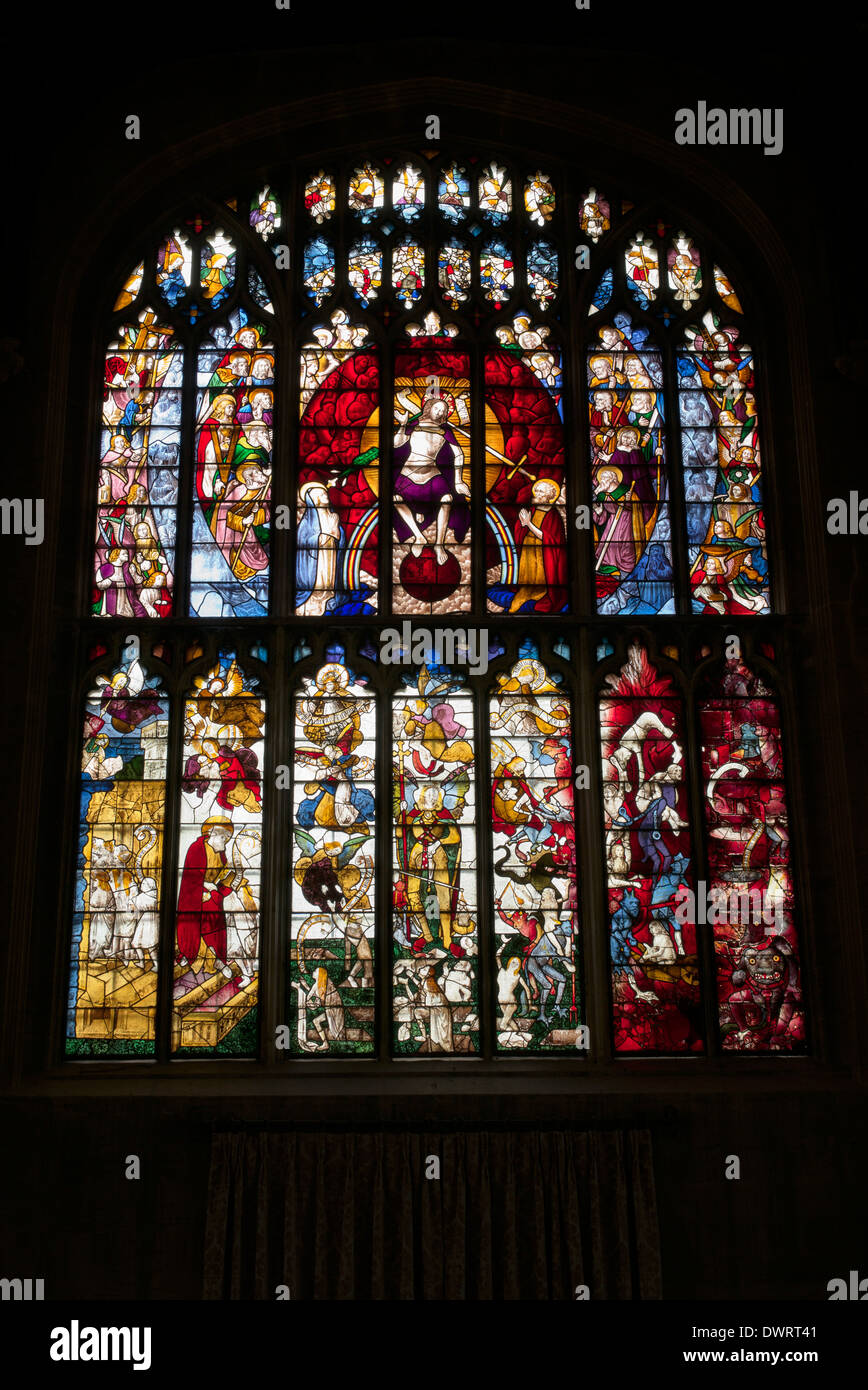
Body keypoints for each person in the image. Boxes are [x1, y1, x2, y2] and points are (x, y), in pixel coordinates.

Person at [176, 816, 239, 977]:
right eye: (223, 836)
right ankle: (196, 957)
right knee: (199, 922)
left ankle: (217, 960)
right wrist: (204, 886)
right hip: (194, 897)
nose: (225, 840)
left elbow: (220, 877)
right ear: (212, 833)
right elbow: (191, 877)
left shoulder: (221, 853)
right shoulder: (196, 849)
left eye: (227, 838)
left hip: (212, 895)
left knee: (215, 922)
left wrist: (227, 881)